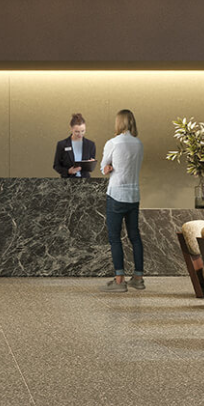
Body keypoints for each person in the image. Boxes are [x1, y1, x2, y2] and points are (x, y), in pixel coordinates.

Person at [99, 109, 146, 291]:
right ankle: (138, 278)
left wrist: (109, 167)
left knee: (115, 238)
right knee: (135, 236)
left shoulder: (113, 143)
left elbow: (104, 168)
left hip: (116, 194)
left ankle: (119, 281)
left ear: (119, 123)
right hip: (133, 195)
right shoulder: (139, 144)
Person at [53, 113, 98, 178]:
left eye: (83, 131)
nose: (80, 134)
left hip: (85, 181)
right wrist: (68, 171)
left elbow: (91, 167)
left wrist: (91, 164)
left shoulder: (90, 145)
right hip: (67, 181)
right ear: (71, 129)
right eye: (77, 131)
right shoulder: (62, 144)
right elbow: (56, 166)